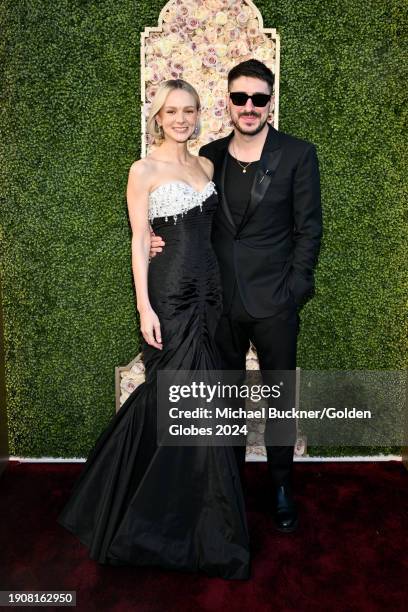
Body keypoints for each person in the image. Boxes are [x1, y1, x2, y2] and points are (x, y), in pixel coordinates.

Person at [57, 79, 250, 580]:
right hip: (170, 296)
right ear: (157, 118)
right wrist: (144, 306)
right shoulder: (142, 170)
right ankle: (157, 516)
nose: (181, 119)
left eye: (189, 111)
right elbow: (140, 240)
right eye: (171, 112)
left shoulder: (206, 164)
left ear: (196, 115)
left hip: (212, 297)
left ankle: (200, 511)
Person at [150, 59, 323, 533]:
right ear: (228, 102)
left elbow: (309, 231)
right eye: (240, 98)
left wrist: (294, 290)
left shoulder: (297, 155)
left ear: (270, 102)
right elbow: (181, 211)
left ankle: (283, 485)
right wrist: (153, 237)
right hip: (217, 303)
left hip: (275, 303)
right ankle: (228, 487)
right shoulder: (208, 156)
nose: (249, 107)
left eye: (259, 98)